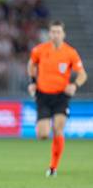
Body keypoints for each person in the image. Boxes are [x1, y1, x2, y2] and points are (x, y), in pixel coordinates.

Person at [27, 21, 87, 177]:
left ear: (63, 34)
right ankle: (41, 127)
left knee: (58, 129)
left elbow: (82, 74)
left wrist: (74, 85)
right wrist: (32, 83)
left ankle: (53, 167)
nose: (55, 35)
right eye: (53, 32)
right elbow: (31, 65)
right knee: (43, 135)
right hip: (43, 95)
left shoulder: (70, 52)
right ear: (49, 34)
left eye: (58, 32)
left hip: (61, 96)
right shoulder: (39, 50)